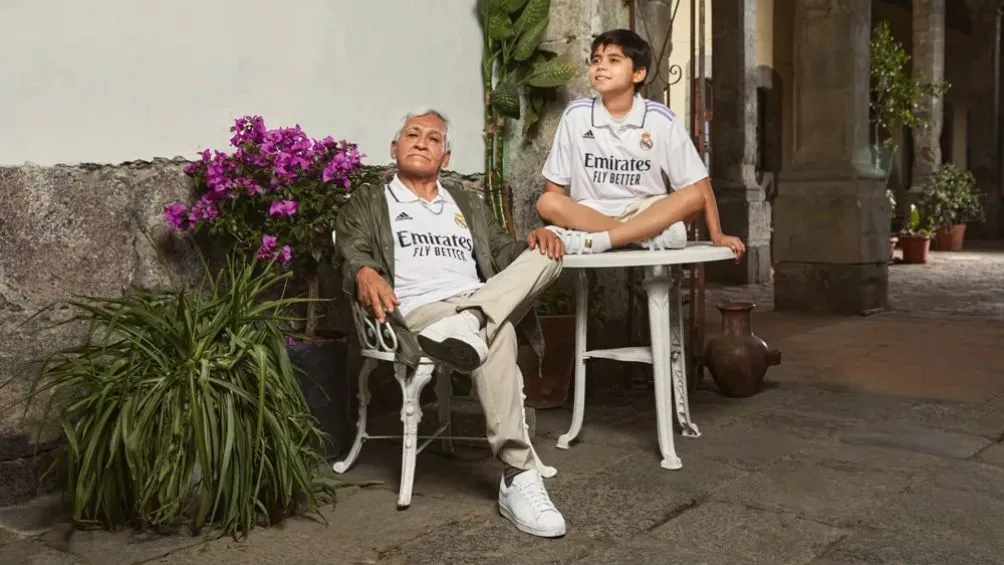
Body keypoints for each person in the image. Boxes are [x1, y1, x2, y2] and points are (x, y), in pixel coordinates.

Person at [334, 108, 568, 538]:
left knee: (552, 254)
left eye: (433, 138)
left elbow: (502, 251)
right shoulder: (371, 202)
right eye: (412, 134)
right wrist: (363, 271)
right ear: (394, 147)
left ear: (445, 157)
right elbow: (350, 248)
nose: (422, 141)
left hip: (475, 303)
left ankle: (475, 322)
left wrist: (534, 241)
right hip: (423, 313)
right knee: (501, 333)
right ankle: (518, 476)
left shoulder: (467, 205)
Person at [535, 28, 746, 259]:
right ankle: (640, 239)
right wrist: (560, 221)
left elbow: (700, 183)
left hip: (646, 212)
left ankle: (602, 242)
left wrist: (717, 234)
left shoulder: (660, 119)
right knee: (547, 202)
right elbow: (554, 187)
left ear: (638, 74)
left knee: (694, 195)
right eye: (596, 60)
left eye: (613, 60)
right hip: (592, 213)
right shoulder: (576, 115)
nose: (600, 66)